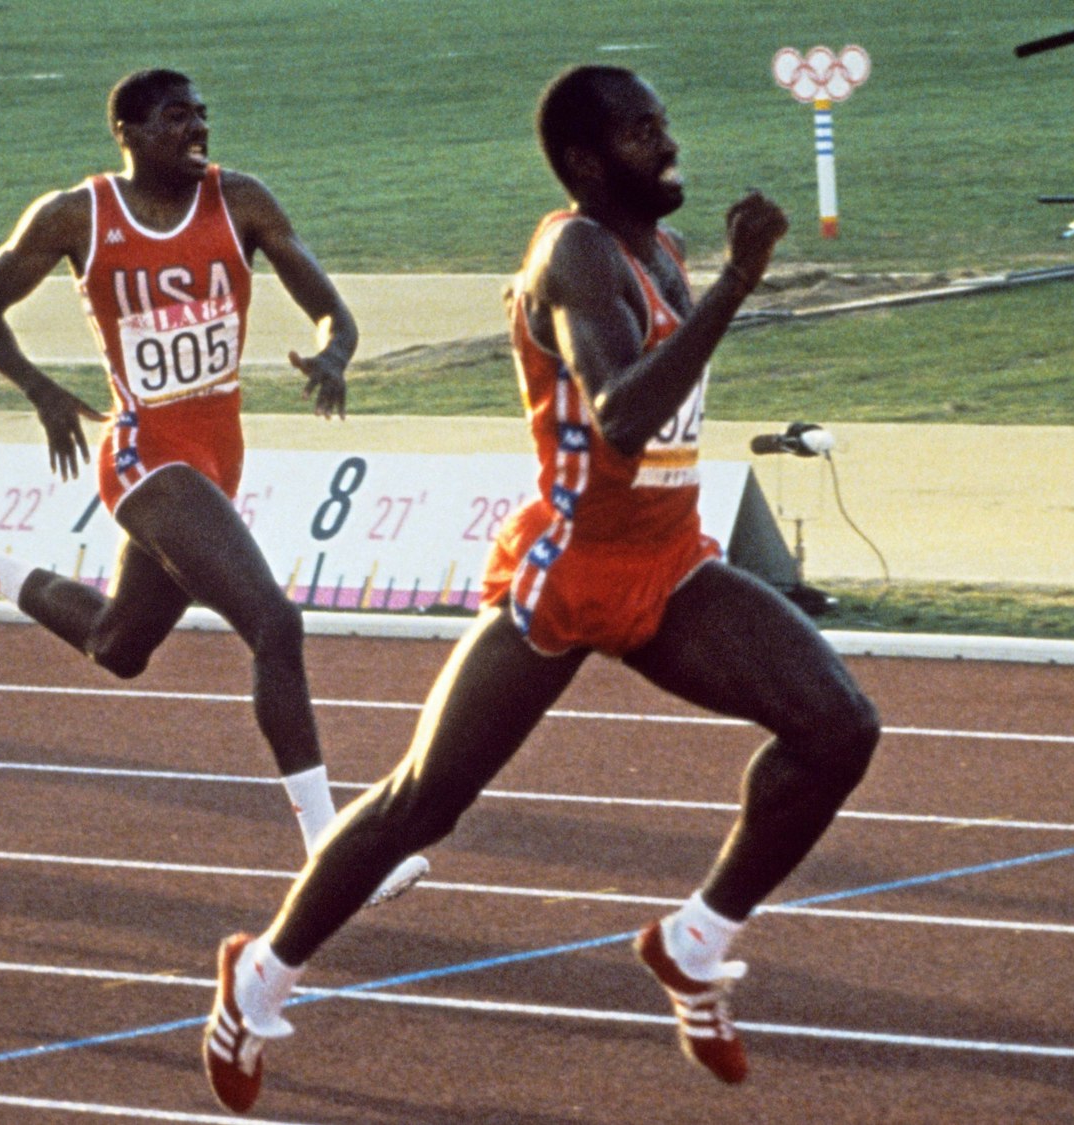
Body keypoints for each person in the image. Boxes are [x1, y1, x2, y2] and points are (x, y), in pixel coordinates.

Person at [201, 65, 882, 1112]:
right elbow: (618, 415)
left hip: (666, 562)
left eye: (663, 121)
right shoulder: (571, 249)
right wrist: (740, 286)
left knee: (837, 726)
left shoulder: (658, 247)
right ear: (582, 160)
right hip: (566, 571)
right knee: (420, 804)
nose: (667, 142)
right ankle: (257, 978)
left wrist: (708, 284)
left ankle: (693, 944)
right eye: (641, 131)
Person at [0, 69, 428, 904]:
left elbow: (330, 310)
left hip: (216, 454)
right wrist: (41, 389)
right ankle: (329, 849)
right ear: (126, 131)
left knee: (120, 646)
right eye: (175, 119)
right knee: (275, 622)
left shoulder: (241, 200)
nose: (197, 130)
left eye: (202, 115)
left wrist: (336, 351)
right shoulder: (77, 214)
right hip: (142, 455)